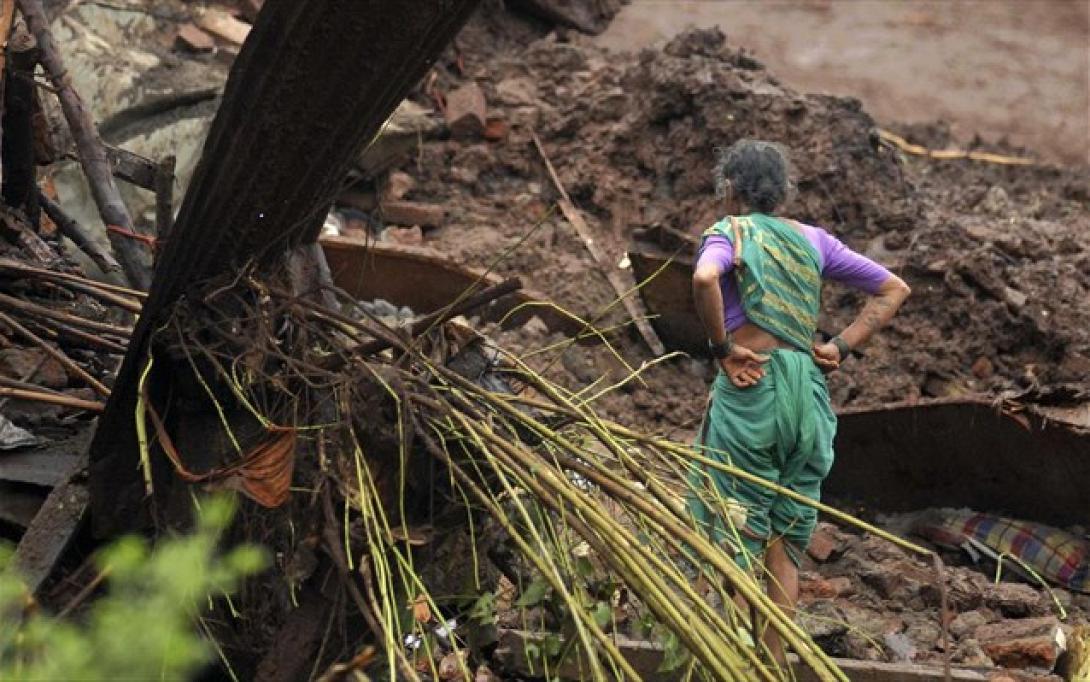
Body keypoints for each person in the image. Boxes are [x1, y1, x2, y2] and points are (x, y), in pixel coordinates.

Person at [687, 139, 910, 663]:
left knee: (735, 531)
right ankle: (770, 666)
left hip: (753, 391)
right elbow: (894, 288)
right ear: (782, 192)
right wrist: (839, 346)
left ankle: (723, 662)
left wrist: (722, 348)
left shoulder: (730, 233)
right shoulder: (815, 241)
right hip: (807, 397)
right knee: (784, 547)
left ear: (730, 188)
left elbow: (703, 277)